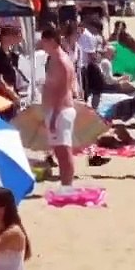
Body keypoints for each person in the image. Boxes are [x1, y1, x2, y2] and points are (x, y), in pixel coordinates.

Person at [40, 26, 78, 193]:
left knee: (64, 150)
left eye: (44, 42)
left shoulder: (62, 61)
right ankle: (65, 185)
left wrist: (54, 116)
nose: (42, 46)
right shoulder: (54, 59)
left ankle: (67, 187)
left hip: (61, 110)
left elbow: (62, 91)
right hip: (55, 109)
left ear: (52, 41)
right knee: (59, 150)